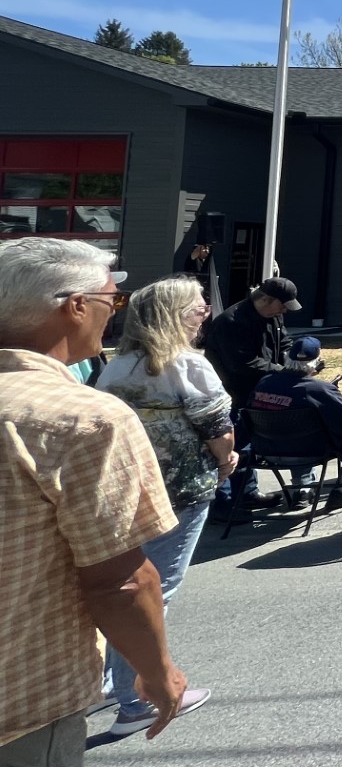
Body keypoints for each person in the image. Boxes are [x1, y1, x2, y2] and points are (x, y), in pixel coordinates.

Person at [0, 239, 192, 767]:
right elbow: (120, 580)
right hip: (19, 702)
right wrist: (157, 675)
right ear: (73, 306)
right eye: (111, 300)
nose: (115, 312)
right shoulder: (81, 417)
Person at [92, 275, 230, 739]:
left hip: (128, 488)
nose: (204, 312)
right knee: (155, 591)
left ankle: (113, 682)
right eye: (196, 306)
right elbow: (217, 429)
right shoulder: (189, 365)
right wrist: (226, 459)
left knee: (130, 581)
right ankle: (137, 700)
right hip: (182, 489)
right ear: (174, 315)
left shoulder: (116, 366)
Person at [201, 275, 299, 515]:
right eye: (282, 304)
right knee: (231, 448)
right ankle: (222, 504)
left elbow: (284, 343)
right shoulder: (231, 321)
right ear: (266, 299)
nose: (284, 310)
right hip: (232, 392)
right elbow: (243, 363)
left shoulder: (274, 316)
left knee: (246, 448)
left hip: (260, 391)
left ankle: (247, 494)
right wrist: (283, 371)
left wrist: (295, 362)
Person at [249, 336, 342, 508]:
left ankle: (302, 490)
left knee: (294, 432)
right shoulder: (318, 389)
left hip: (267, 451)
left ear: (287, 358)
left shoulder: (263, 383)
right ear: (317, 361)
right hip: (311, 451)